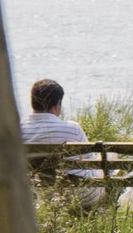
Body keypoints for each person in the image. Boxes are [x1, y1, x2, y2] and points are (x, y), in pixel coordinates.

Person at [20, 79, 104, 209]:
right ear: (57, 104)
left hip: (37, 195)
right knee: (104, 162)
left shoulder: (17, 130)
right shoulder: (73, 129)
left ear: (32, 103)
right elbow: (90, 162)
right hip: (81, 196)